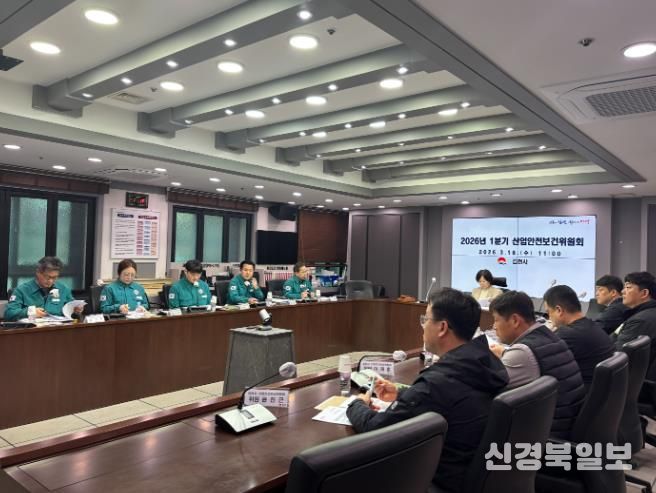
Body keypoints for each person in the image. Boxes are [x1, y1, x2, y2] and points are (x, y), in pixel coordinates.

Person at [346, 288, 509, 492]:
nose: (423, 326)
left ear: (442, 327)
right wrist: (402, 395)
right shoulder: (486, 361)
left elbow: (377, 428)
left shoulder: (437, 382)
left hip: (439, 480)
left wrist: (357, 404)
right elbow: (445, 401)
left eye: (425, 319)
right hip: (472, 471)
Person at [489, 290, 585, 439]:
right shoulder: (548, 335)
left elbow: (485, 389)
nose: (493, 326)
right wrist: (505, 353)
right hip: (566, 423)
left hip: (549, 436)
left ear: (515, 320)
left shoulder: (522, 352)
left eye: (496, 320)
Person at [544, 285, 614, 390]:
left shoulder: (566, 335)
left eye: (548, 312)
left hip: (583, 396)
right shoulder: (592, 326)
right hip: (604, 392)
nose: (549, 317)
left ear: (559, 310)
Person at [5, 256, 81, 321]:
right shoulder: (21, 290)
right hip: (33, 331)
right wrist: (30, 311)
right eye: (47, 277)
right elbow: (9, 314)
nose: (51, 281)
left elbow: (72, 309)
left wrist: (76, 311)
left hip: (58, 329)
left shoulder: (63, 289)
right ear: (38, 272)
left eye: (54, 277)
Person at [613, 271, 656, 364]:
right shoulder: (645, 314)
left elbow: (617, 356)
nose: (622, 291)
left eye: (628, 287)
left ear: (644, 293)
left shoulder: (640, 320)